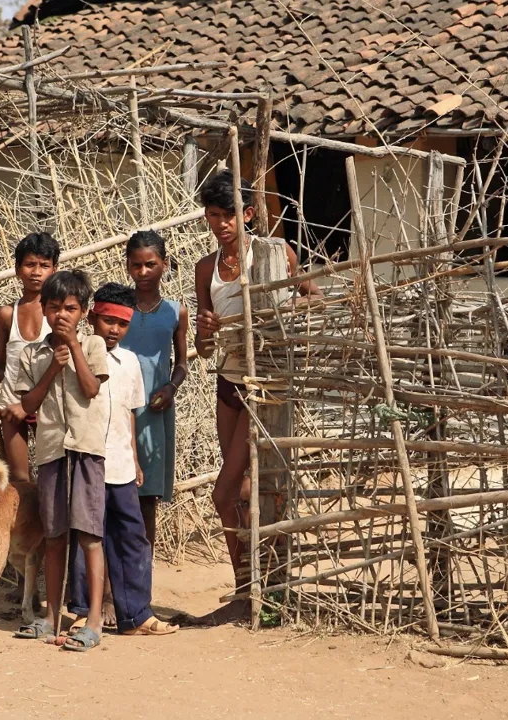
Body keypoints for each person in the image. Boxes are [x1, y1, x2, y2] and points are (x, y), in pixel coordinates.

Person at [191, 170, 320, 624]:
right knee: (240, 492)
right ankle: (248, 589)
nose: (222, 224)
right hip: (228, 382)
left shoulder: (275, 253)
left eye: (229, 215)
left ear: (248, 214)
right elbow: (204, 349)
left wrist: (281, 311)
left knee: (228, 491)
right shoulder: (206, 269)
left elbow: (314, 297)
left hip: (264, 384)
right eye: (214, 216)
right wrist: (208, 331)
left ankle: (262, 588)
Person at [0, 270, 109, 650]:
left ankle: (93, 621)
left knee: (90, 536)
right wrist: (54, 367)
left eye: (70, 308)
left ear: (84, 312)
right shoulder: (32, 354)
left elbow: (91, 388)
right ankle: (51, 617)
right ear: (44, 309)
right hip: (51, 451)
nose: (62, 315)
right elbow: (27, 404)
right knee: (54, 535)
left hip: (86, 449)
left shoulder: (93, 344)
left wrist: (74, 348)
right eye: (54, 307)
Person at [66, 283, 180, 639]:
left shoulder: (129, 362)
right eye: (108, 321)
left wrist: (135, 458)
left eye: (122, 323)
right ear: (93, 317)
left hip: (121, 464)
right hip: (88, 460)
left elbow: (130, 412)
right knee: (87, 537)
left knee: (132, 536)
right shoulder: (76, 354)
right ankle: (83, 611)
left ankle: (136, 614)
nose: (114, 329)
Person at [123, 230, 189, 546]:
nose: (143, 272)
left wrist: (171, 388)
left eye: (150, 264)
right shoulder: (116, 307)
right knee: (115, 491)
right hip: (118, 408)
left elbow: (182, 363)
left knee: (147, 496)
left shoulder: (176, 312)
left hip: (153, 410)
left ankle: (142, 571)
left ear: (164, 264)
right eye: (136, 265)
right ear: (127, 266)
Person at [0, 232, 58, 484]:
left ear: (54, 270)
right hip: (12, 403)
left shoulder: (58, 313)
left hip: (49, 405)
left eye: (44, 265)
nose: (36, 272)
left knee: (52, 477)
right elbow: (0, 364)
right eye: (29, 264)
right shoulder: (6, 315)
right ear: (17, 269)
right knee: (19, 480)